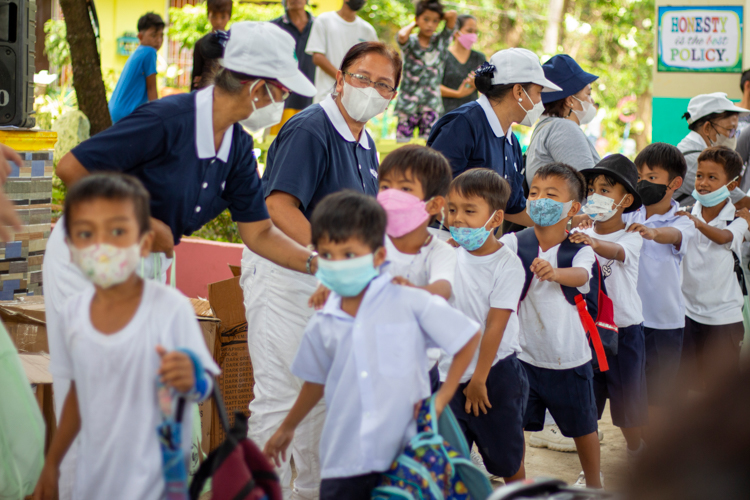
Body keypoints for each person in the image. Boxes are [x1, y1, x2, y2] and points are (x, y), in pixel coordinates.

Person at [44, 22, 318, 499]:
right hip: (88, 261)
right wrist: (145, 223)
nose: (284, 105)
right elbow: (72, 169)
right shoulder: (168, 118)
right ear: (258, 89)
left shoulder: (234, 145)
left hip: (145, 270)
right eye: (281, 93)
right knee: (92, 395)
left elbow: (259, 233)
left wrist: (322, 265)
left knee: (146, 400)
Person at [240, 41, 401, 499]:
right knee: (280, 399)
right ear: (341, 75)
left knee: (323, 401)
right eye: (363, 77)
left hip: (328, 285)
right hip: (286, 278)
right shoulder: (311, 128)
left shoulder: (364, 141)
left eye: (383, 84)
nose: (371, 89)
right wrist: (330, 257)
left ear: (393, 95)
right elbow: (277, 206)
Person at [263, 191, 481, 500]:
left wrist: (442, 396)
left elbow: (467, 336)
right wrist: (288, 427)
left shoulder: (408, 301)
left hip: (405, 458)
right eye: (327, 255)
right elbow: (315, 380)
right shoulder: (323, 320)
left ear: (379, 256)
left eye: (349, 255)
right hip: (343, 460)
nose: (337, 264)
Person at [32, 174, 219, 500]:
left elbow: (203, 384)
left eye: (117, 232)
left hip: (158, 485)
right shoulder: (74, 314)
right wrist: (53, 464)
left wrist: (190, 377)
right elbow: (77, 392)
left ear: (144, 243)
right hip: (95, 481)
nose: (101, 246)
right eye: (87, 234)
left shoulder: (169, 309)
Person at [499, 163, 603, 488]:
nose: (539, 199)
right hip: (524, 356)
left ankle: (594, 483)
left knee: (583, 427)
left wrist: (556, 273)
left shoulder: (580, 249)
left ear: (573, 207)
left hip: (568, 357)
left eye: (551, 194)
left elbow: (583, 276)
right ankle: (517, 487)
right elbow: (490, 255)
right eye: (534, 193)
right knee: (512, 425)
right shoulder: (515, 242)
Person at [441, 168, 529, 483]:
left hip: (493, 375)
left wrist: (479, 380)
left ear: (494, 219)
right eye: (452, 210)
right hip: (449, 374)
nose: (457, 219)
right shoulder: (448, 255)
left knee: (506, 457)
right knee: (448, 461)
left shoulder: (506, 264)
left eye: (469, 211)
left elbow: (495, 326)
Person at [570, 155, 648, 469]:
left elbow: (616, 252)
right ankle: (590, 473)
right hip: (588, 333)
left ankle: (636, 450)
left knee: (628, 409)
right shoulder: (576, 233)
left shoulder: (632, 236)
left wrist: (591, 242)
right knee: (587, 408)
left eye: (605, 190)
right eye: (591, 190)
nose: (595, 197)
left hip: (625, 332)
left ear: (625, 200)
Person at [427, 48, 562, 228]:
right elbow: (433, 193)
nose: (540, 102)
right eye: (538, 93)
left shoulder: (511, 142)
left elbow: (513, 208)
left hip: (477, 247)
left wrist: (565, 221)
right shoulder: (462, 124)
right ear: (519, 92)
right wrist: (470, 235)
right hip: (444, 241)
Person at [625, 143, 695, 432]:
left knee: (659, 396)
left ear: (675, 184)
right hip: (629, 320)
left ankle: (655, 451)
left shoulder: (685, 221)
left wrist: (653, 232)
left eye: (652, 177)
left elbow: (673, 235)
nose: (643, 183)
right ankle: (635, 449)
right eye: (639, 176)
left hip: (666, 323)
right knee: (629, 392)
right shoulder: (627, 215)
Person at [676, 147, 750, 390]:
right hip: (687, 315)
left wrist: (696, 224)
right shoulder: (685, 214)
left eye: (712, 177)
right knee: (685, 389)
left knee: (719, 392)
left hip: (723, 320)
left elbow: (723, 237)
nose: (703, 183)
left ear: (732, 184)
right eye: (699, 176)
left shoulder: (738, 220)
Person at [525, 54, 600, 184]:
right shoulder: (563, 128)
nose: (592, 101)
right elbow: (589, 187)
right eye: (588, 94)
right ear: (570, 100)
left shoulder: (546, 127)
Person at [394, 1, 457, 140]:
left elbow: (453, 16)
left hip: (431, 105)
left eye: (435, 21)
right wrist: (415, 23)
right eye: (426, 19)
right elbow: (402, 36)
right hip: (407, 104)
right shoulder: (411, 42)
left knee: (430, 147)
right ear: (417, 19)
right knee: (402, 146)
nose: (430, 24)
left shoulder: (441, 41)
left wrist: (438, 14)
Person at [675, 92, 749, 205]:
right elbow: (739, 202)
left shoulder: (692, 151)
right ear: (707, 128)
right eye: (730, 130)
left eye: (735, 131)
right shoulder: (697, 161)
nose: (733, 137)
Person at [305, 0, 377, 104]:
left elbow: (372, 63)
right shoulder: (324, 20)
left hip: (353, 100)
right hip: (326, 96)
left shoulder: (367, 30)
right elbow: (318, 57)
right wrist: (344, 80)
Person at [270, 0, 316, 134]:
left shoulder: (320, 26)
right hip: (281, 102)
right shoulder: (273, 27)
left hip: (314, 101)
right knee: (278, 146)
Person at [108, 12, 164, 123]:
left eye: (161, 35)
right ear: (140, 37)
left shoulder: (138, 52)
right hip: (128, 114)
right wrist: (158, 117)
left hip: (115, 111)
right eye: (154, 35)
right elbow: (151, 88)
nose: (159, 40)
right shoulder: (149, 52)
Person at [440, 14, 485, 115]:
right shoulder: (443, 56)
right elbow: (432, 86)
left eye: (475, 32)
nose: (473, 35)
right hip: (445, 115)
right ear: (456, 32)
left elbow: (490, 87)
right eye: (469, 31)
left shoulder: (479, 58)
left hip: (470, 116)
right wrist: (458, 94)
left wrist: (479, 84)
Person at [191, 0, 232, 91]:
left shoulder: (233, 43)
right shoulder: (200, 44)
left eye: (223, 17)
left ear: (229, 17)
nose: (218, 21)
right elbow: (195, 78)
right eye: (214, 16)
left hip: (228, 94)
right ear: (208, 15)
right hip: (205, 93)